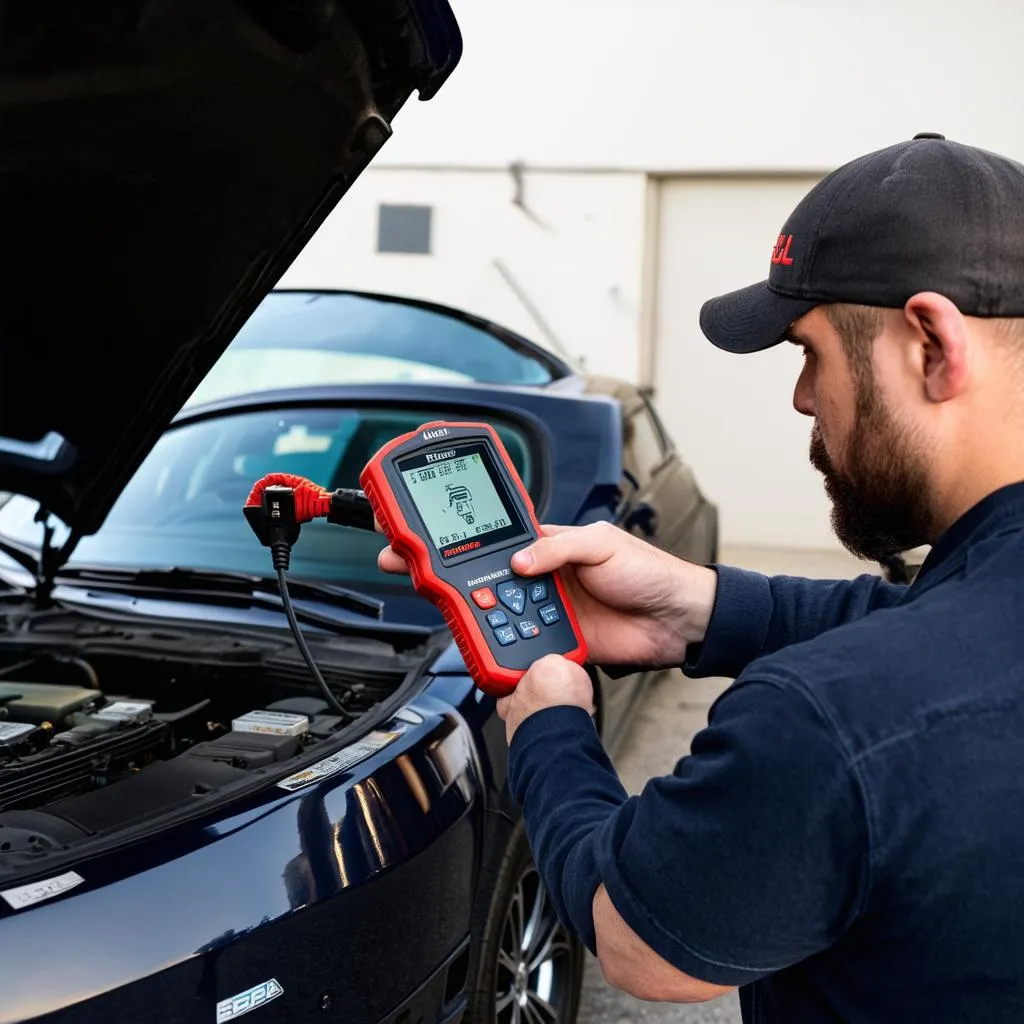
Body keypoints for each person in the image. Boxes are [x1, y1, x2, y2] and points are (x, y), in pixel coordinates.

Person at [379, 134, 1024, 1022]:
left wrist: (552, 728)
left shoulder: (825, 721)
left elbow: (640, 943)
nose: (802, 397)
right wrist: (700, 609)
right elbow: (939, 620)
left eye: (811, 352)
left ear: (932, 344)